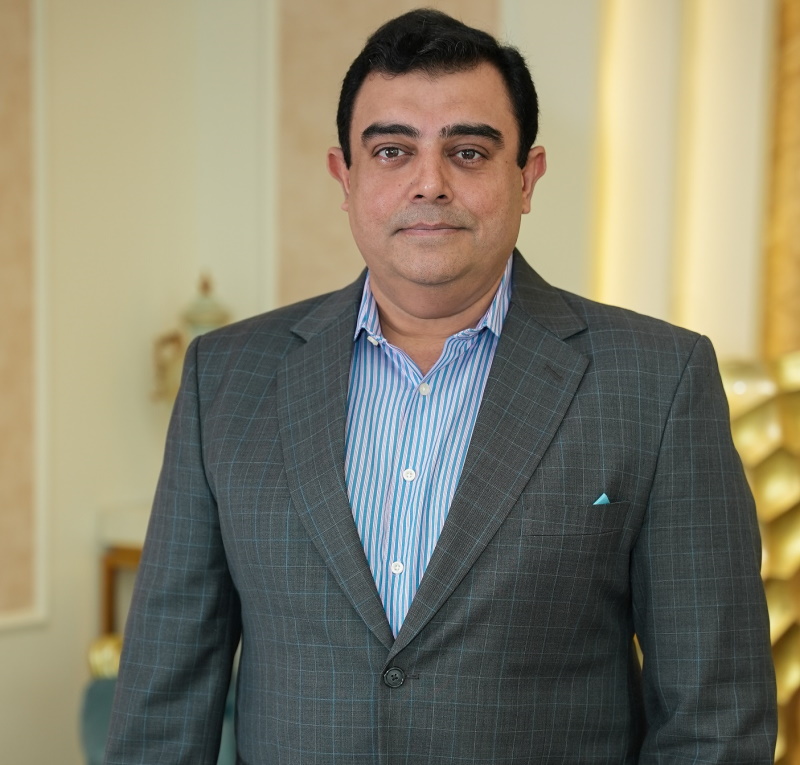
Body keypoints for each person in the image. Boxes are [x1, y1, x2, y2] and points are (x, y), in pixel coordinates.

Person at [105, 9, 777, 764]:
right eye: (392, 151)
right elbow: (162, 709)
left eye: (468, 152)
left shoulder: (657, 380)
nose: (430, 183)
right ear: (346, 178)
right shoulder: (226, 377)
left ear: (526, 177)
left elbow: (716, 717)